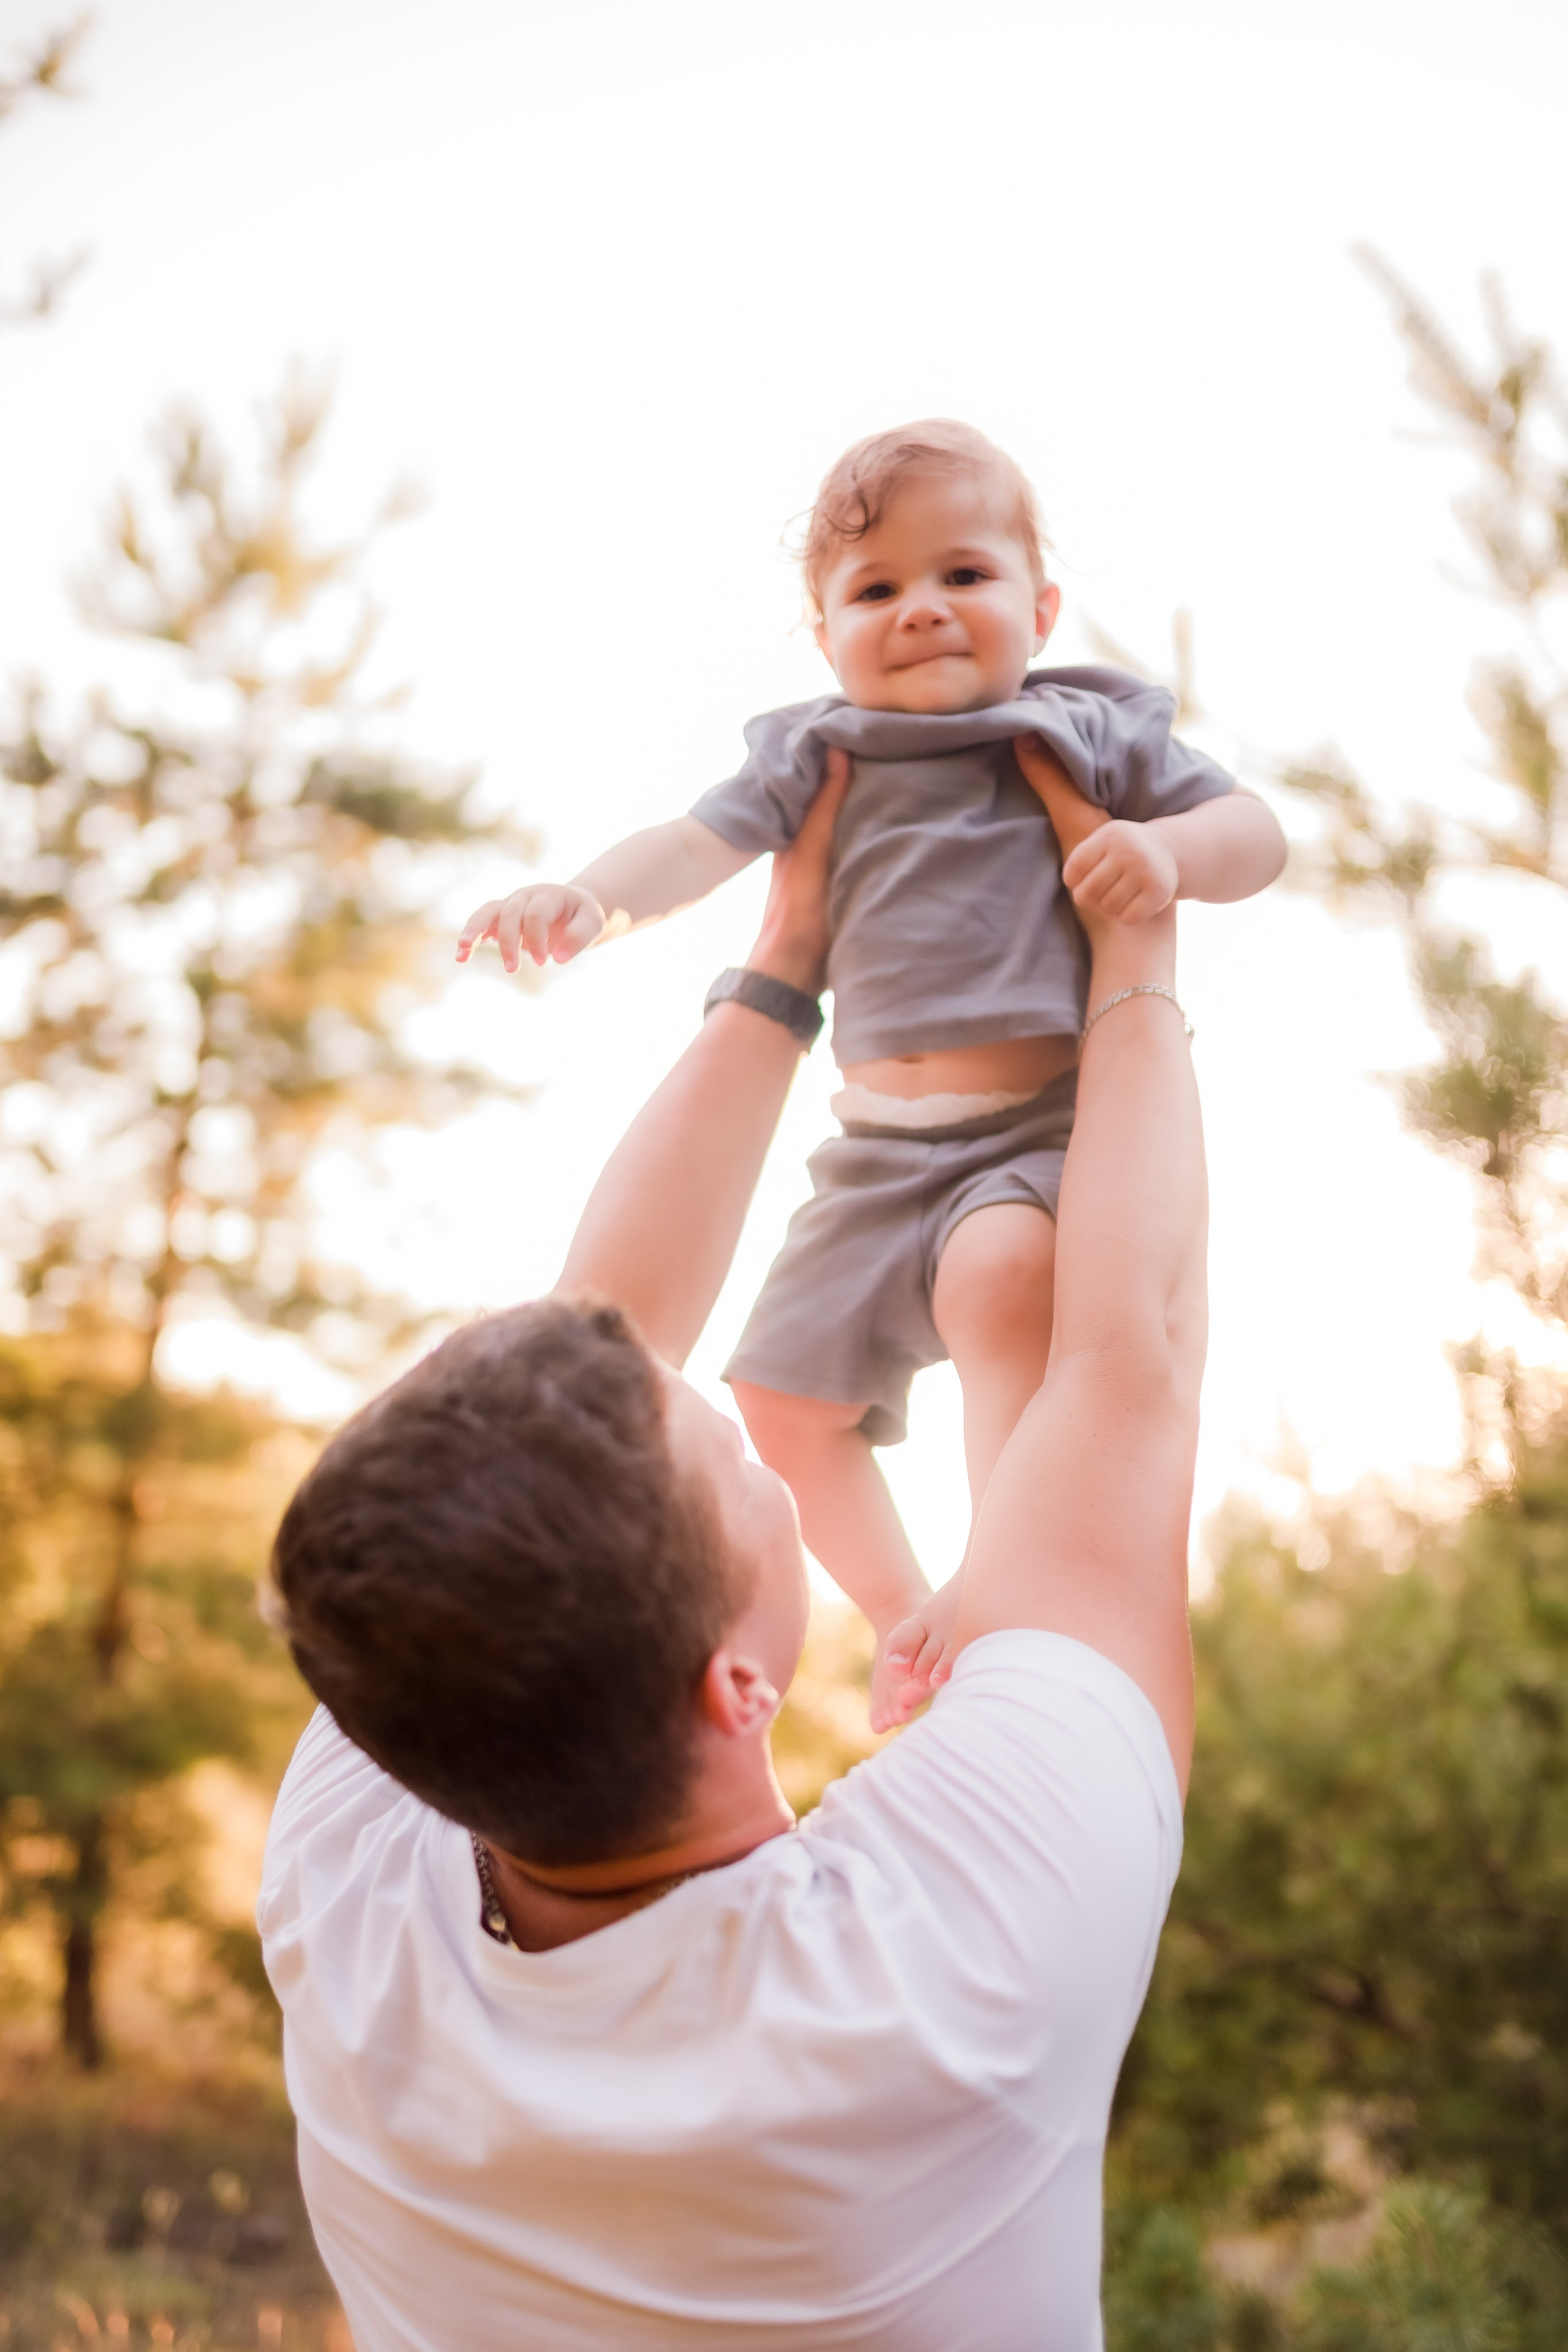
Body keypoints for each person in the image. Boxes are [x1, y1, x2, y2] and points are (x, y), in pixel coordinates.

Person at [260, 749, 1210, 2350]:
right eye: (744, 1470)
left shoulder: (359, 1886)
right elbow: (1126, 1359)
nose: (721, 1406)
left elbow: (589, 1347)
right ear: (737, 1687)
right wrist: (1142, 944)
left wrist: (784, 960)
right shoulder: (961, 1957)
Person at [456, 420, 1283, 1727]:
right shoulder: (813, 750)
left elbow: (1255, 832)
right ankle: (908, 1614)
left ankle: (1003, 1577)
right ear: (827, 631)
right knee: (776, 1397)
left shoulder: (1082, 727)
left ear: (1040, 604)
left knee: (1005, 1283)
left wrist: (1170, 858)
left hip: (1030, 1131)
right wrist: (585, 901)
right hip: (869, 1156)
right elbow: (685, 849)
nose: (921, 611)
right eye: (874, 590)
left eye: (963, 575)